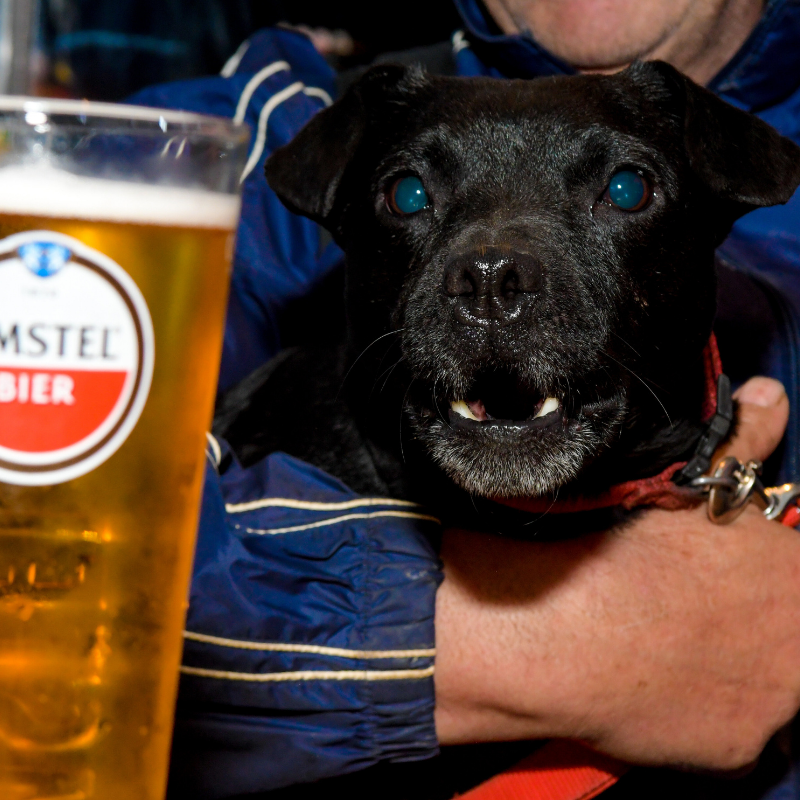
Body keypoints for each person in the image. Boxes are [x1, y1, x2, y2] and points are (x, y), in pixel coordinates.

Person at [130, 1, 800, 797]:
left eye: (623, 191)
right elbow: (47, 509)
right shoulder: (263, 129)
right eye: (411, 197)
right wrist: (552, 644)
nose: (494, 268)